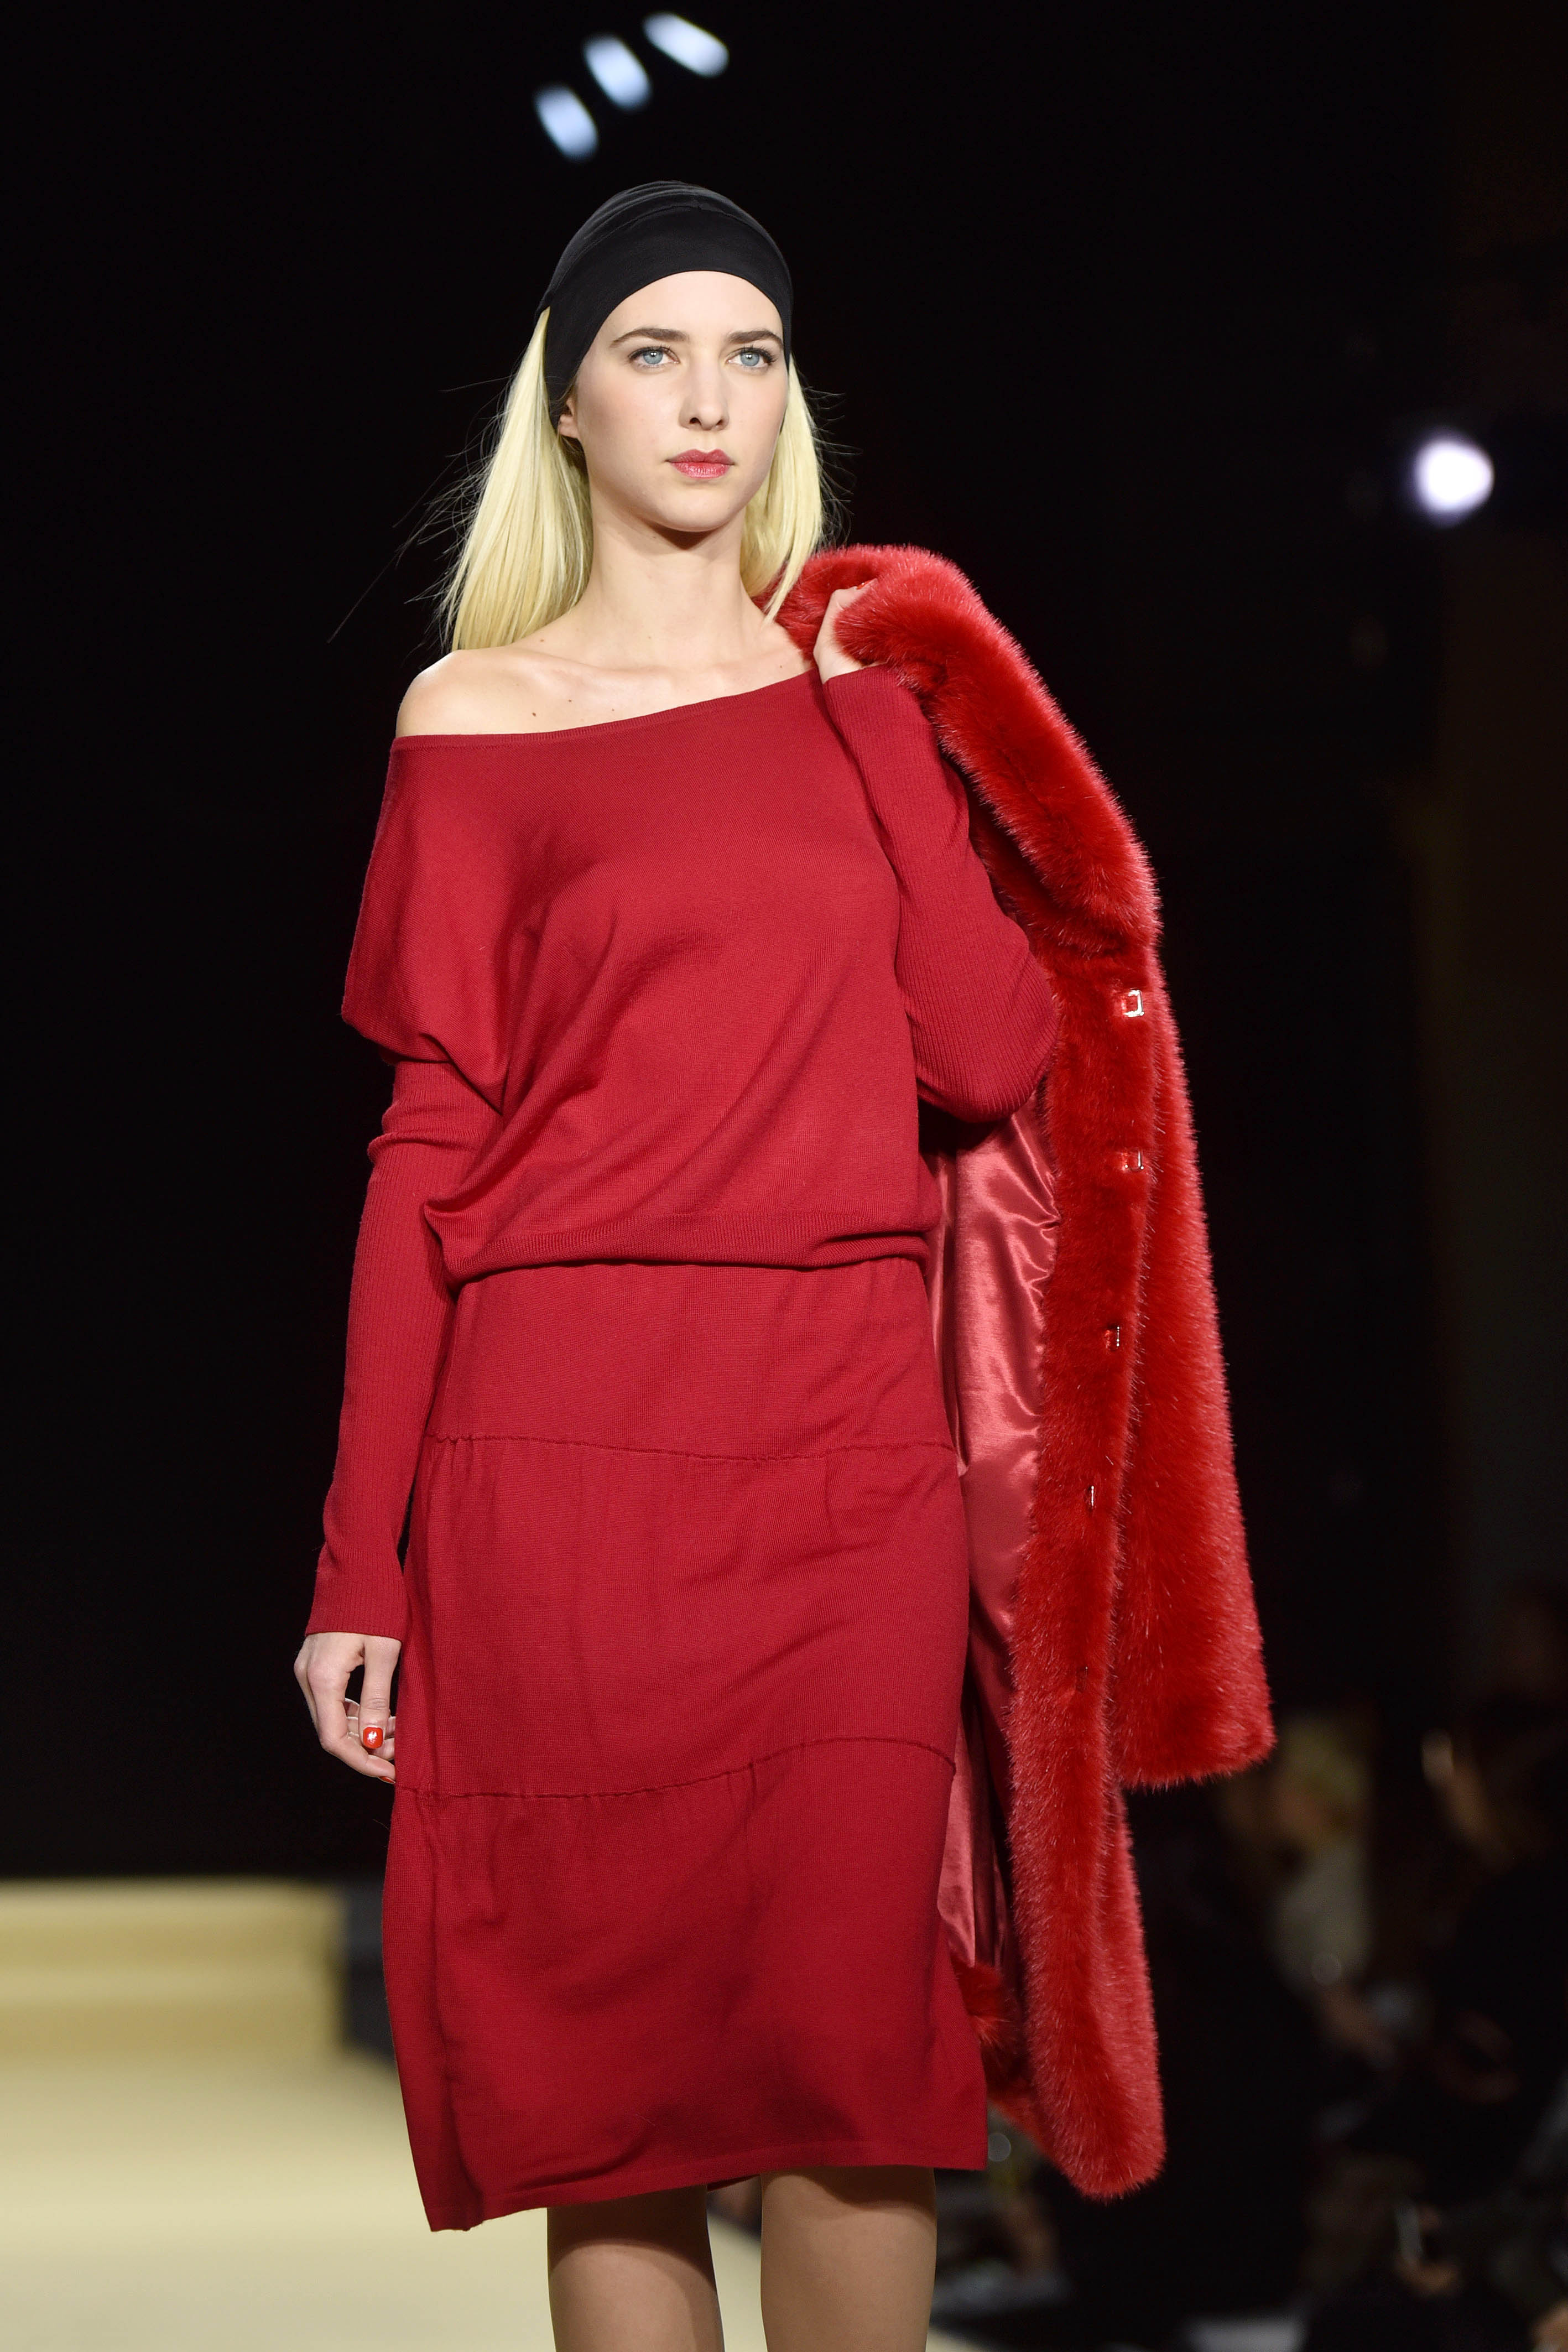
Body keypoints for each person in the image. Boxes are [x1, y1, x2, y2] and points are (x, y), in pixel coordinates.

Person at [294, 183, 1273, 2352]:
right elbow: (430, 1141)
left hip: (838, 1450)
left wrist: (874, 722)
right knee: (614, 2092)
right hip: (560, 1447)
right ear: (567, 404)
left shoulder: (865, 694)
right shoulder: (476, 713)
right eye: (652, 350)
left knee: (861, 2060)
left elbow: (987, 1050)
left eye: (749, 353)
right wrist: (364, 1564)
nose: (706, 397)